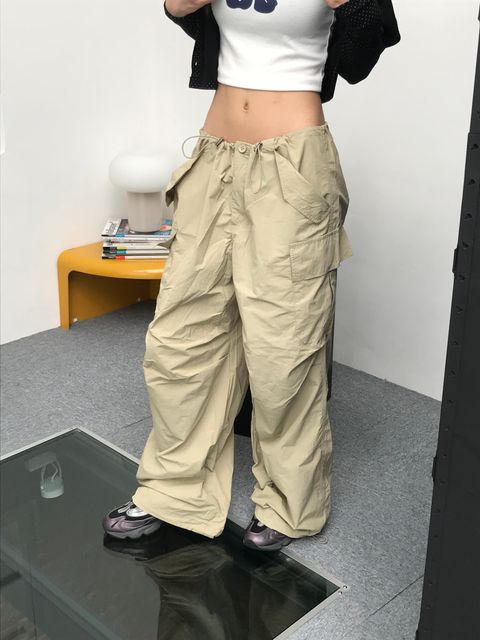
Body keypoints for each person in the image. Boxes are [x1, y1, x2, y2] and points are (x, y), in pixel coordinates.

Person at [103, 0, 354, 552]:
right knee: (181, 339)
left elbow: (365, 43)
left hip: (293, 163)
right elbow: (177, 7)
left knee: (285, 347)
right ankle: (173, 490)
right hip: (214, 156)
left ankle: (290, 504)